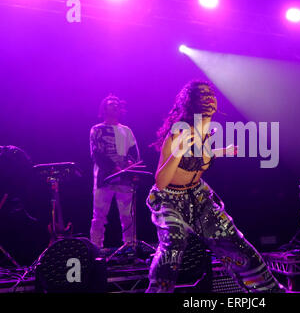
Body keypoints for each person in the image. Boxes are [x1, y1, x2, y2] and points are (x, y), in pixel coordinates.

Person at [146, 80, 284, 293]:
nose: (210, 98)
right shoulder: (179, 133)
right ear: (192, 102)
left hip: (198, 197)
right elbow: (161, 181)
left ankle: (268, 292)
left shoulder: (206, 132)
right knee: (174, 243)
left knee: (233, 242)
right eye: (203, 95)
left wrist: (223, 151)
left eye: (211, 94)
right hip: (169, 198)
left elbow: (198, 158)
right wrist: (177, 151)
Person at [89, 95, 140, 252]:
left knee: (127, 215)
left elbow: (134, 152)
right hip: (105, 178)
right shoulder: (97, 129)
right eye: (111, 104)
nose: (115, 106)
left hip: (124, 179)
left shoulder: (126, 130)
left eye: (117, 103)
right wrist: (113, 168)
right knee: (99, 216)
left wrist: (132, 164)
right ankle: (95, 248)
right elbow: (96, 153)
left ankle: (130, 245)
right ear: (104, 108)